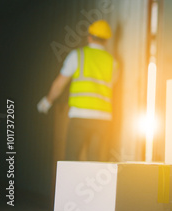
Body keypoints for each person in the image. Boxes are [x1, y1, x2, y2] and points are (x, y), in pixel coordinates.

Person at [37, 19, 117, 161]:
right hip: (104, 119)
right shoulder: (113, 62)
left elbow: (60, 83)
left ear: (89, 37)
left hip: (80, 116)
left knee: (72, 160)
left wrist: (47, 101)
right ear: (106, 41)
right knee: (97, 163)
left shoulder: (77, 56)